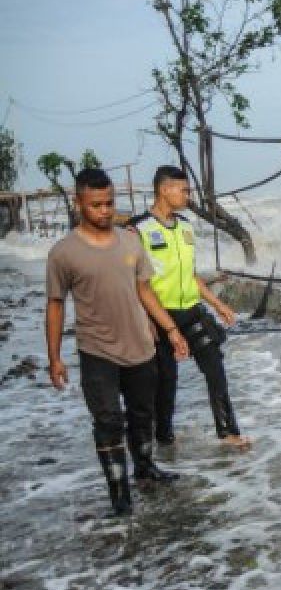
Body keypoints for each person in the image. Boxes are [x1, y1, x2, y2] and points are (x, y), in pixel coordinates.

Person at [45, 168, 190, 516]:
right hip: (97, 351)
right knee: (108, 420)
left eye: (110, 203)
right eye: (96, 205)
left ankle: (144, 466)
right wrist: (54, 358)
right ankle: (120, 494)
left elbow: (145, 290)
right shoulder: (64, 253)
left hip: (141, 345)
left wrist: (171, 330)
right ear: (80, 203)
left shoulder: (130, 241)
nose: (105, 211)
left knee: (144, 414)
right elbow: (55, 305)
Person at [129, 166, 250, 448]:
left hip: (192, 310)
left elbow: (191, 275)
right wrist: (145, 318)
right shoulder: (138, 229)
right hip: (157, 315)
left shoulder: (185, 227)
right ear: (164, 190)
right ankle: (164, 436)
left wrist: (218, 304)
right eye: (183, 190)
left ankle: (228, 431)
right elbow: (134, 283)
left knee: (215, 367)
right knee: (166, 379)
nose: (188, 195)